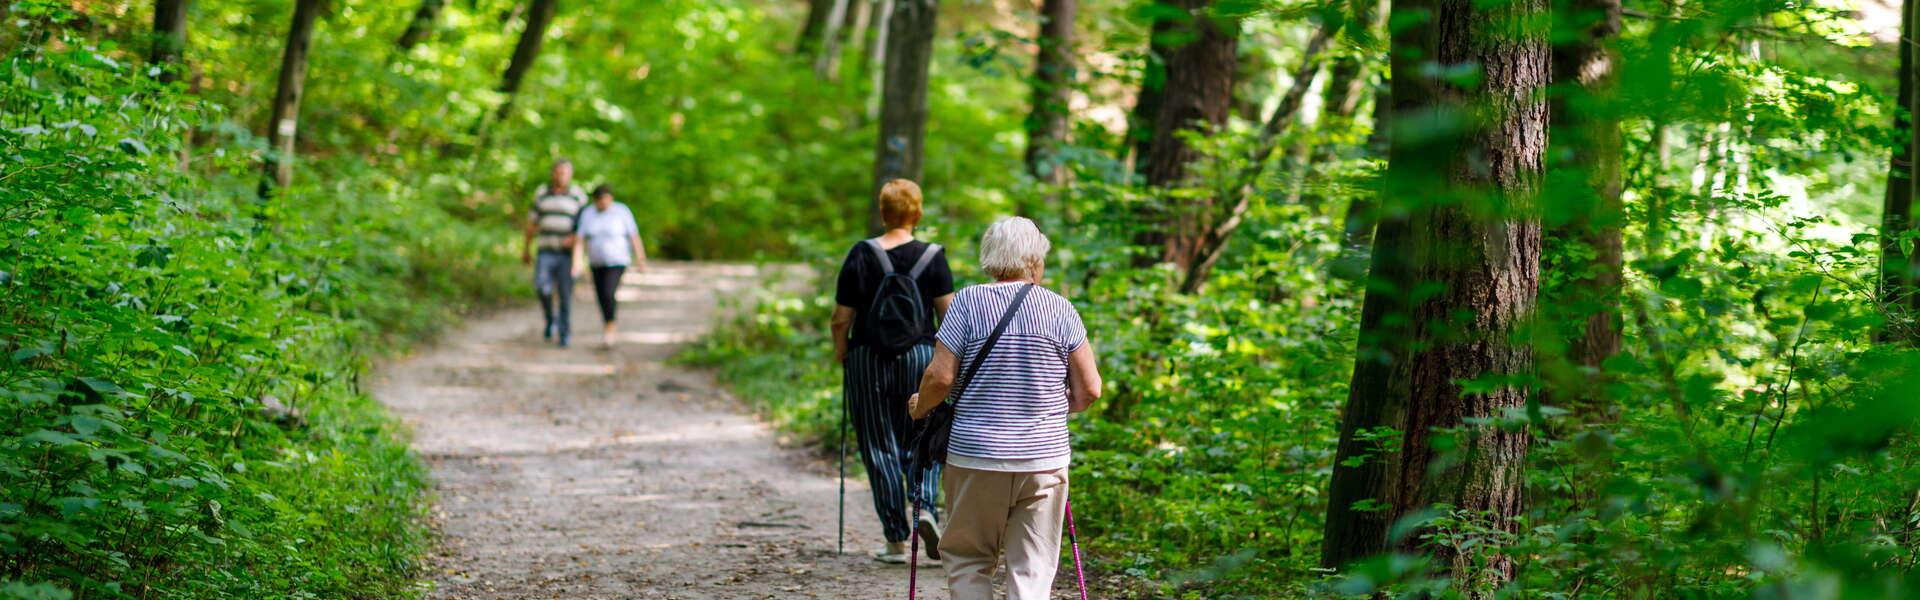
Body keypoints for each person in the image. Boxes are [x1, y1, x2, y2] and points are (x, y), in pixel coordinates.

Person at [909, 216, 1103, 600]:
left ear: (990, 257)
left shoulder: (967, 302)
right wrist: (1049, 410)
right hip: (1043, 461)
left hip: (976, 456)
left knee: (968, 558)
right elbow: (1090, 390)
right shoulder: (1061, 310)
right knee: (1031, 566)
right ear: (1035, 259)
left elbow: (940, 378)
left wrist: (920, 408)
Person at [832, 179, 955, 564]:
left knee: (877, 445)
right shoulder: (933, 256)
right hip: (920, 357)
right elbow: (948, 316)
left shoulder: (861, 254)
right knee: (922, 436)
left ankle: (895, 541)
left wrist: (843, 354)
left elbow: (840, 319)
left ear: (882, 213)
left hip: (868, 357)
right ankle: (925, 511)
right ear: (917, 213)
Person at [569, 185, 648, 348]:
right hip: (596, 262)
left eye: (606, 199)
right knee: (601, 296)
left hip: (617, 261)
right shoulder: (588, 213)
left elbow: (633, 235)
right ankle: (608, 323)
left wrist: (640, 258)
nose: (603, 203)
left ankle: (610, 327)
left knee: (608, 292)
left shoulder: (622, 211)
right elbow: (579, 239)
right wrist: (576, 262)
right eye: (600, 200)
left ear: (611, 198)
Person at [522, 159, 588, 348]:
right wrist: (526, 249)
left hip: (566, 254)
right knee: (542, 287)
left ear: (570, 175)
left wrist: (577, 250)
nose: (561, 176)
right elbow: (531, 224)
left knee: (565, 295)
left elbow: (584, 228)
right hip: (545, 251)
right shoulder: (542, 194)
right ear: (553, 174)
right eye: (558, 172)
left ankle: (564, 333)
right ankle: (552, 319)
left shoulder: (578, 196)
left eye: (565, 173)